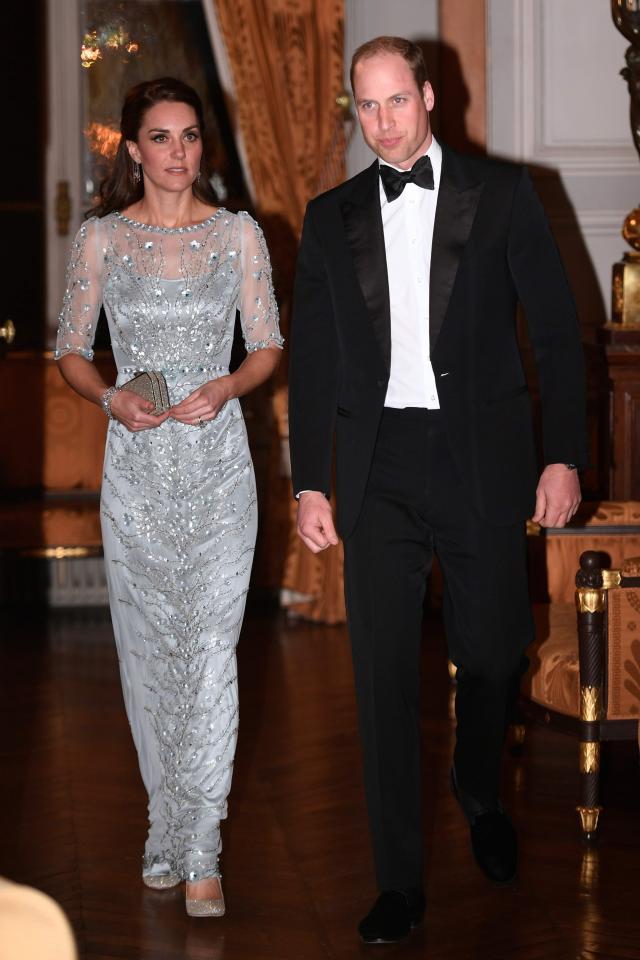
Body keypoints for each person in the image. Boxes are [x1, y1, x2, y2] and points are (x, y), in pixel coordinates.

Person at [288, 37, 586, 945]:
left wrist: (563, 455)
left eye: (396, 102)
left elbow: (558, 333)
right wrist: (308, 482)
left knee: (496, 652)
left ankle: (479, 784)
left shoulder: (502, 194)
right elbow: (313, 359)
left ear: (427, 95)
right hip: (378, 466)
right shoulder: (330, 214)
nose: (382, 123)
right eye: (365, 109)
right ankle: (401, 883)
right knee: (379, 676)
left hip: (481, 460)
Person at [56, 77, 283, 918]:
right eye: (161, 137)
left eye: (190, 136)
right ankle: (164, 822)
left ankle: (203, 850)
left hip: (220, 468)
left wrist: (227, 386)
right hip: (138, 473)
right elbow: (72, 351)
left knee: (210, 655)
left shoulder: (238, 235)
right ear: (133, 148)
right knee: (151, 653)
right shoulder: (101, 241)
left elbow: (266, 347)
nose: (179, 151)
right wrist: (109, 395)